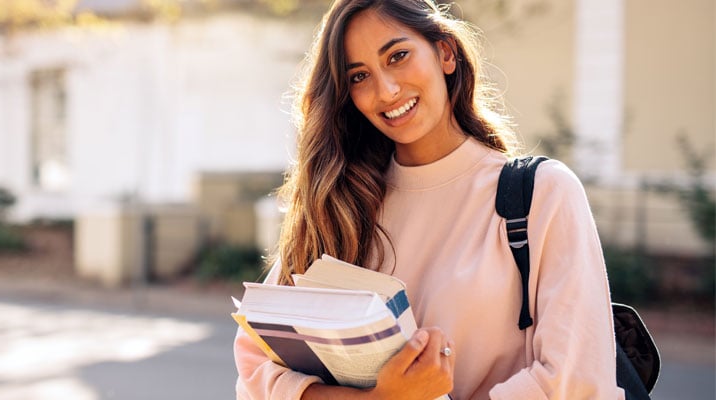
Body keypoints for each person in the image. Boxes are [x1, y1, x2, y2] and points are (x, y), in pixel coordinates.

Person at [234, 0, 625, 398]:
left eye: (398, 56)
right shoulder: (341, 204)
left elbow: (575, 383)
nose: (385, 90)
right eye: (359, 76)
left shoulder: (542, 194)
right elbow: (255, 374)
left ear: (445, 53)